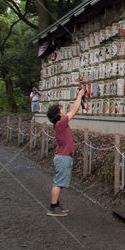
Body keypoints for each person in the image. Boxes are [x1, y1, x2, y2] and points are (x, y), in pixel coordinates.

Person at [45, 87, 85, 217]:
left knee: (60, 182)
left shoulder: (59, 124)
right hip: (62, 157)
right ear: (58, 114)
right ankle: (52, 207)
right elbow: (74, 110)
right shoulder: (60, 123)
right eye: (61, 109)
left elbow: (72, 110)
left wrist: (79, 97)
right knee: (58, 183)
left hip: (63, 157)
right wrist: (79, 96)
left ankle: (55, 203)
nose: (64, 110)